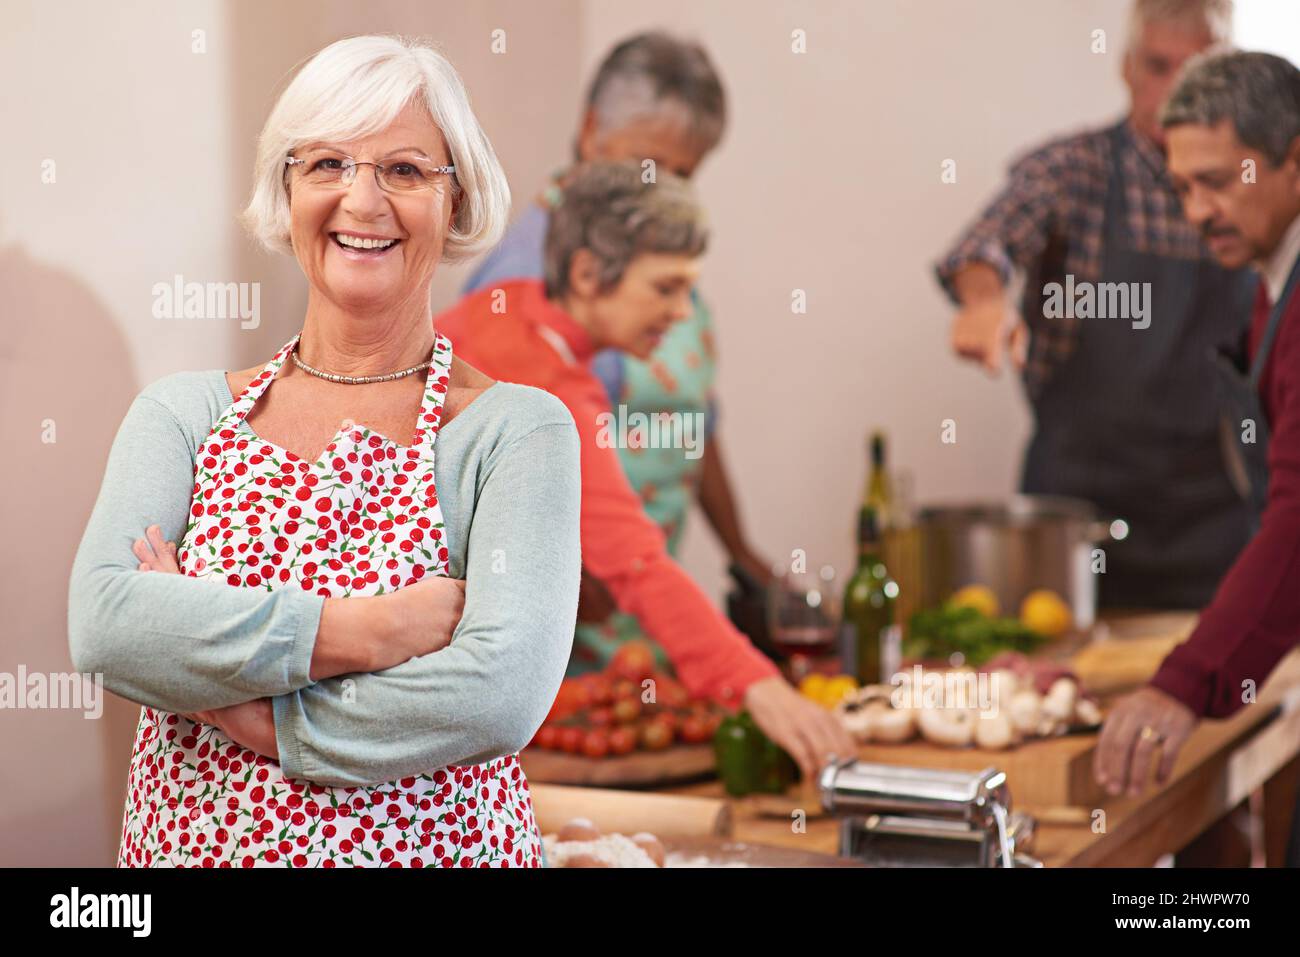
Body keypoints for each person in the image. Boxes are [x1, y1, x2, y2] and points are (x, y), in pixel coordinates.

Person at [67, 35, 581, 868]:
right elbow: (107, 626)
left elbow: (498, 695)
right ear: (288, 190)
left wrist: (257, 717)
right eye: (328, 164)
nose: (363, 200)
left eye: (406, 170)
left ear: (456, 201)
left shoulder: (518, 430)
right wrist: (363, 632)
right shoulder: (183, 415)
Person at [438, 161, 855, 777]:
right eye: (665, 288)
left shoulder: (505, 313)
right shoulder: (550, 386)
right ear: (586, 274)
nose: (683, 312)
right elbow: (637, 564)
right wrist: (758, 688)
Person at [463, 31, 774, 675]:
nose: (660, 188)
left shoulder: (654, 255)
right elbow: (485, 478)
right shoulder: (520, 284)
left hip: (648, 602)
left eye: (683, 174)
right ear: (590, 130)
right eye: (644, 164)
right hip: (576, 618)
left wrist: (743, 554)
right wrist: (570, 579)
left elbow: (693, 421)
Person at [934, 0, 1256, 608]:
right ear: (1127, 68)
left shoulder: (1251, 190)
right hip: (1077, 528)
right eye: (1159, 67)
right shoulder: (1073, 172)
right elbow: (988, 245)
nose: (1176, 93)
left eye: (1198, 74)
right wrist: (985, 302)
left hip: (1213, 531)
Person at [1095, 52, 1300, 806]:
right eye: (1182, 187)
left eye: (1218, 181)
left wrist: (1185, 684)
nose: (1195, 212)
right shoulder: (1273, 275)